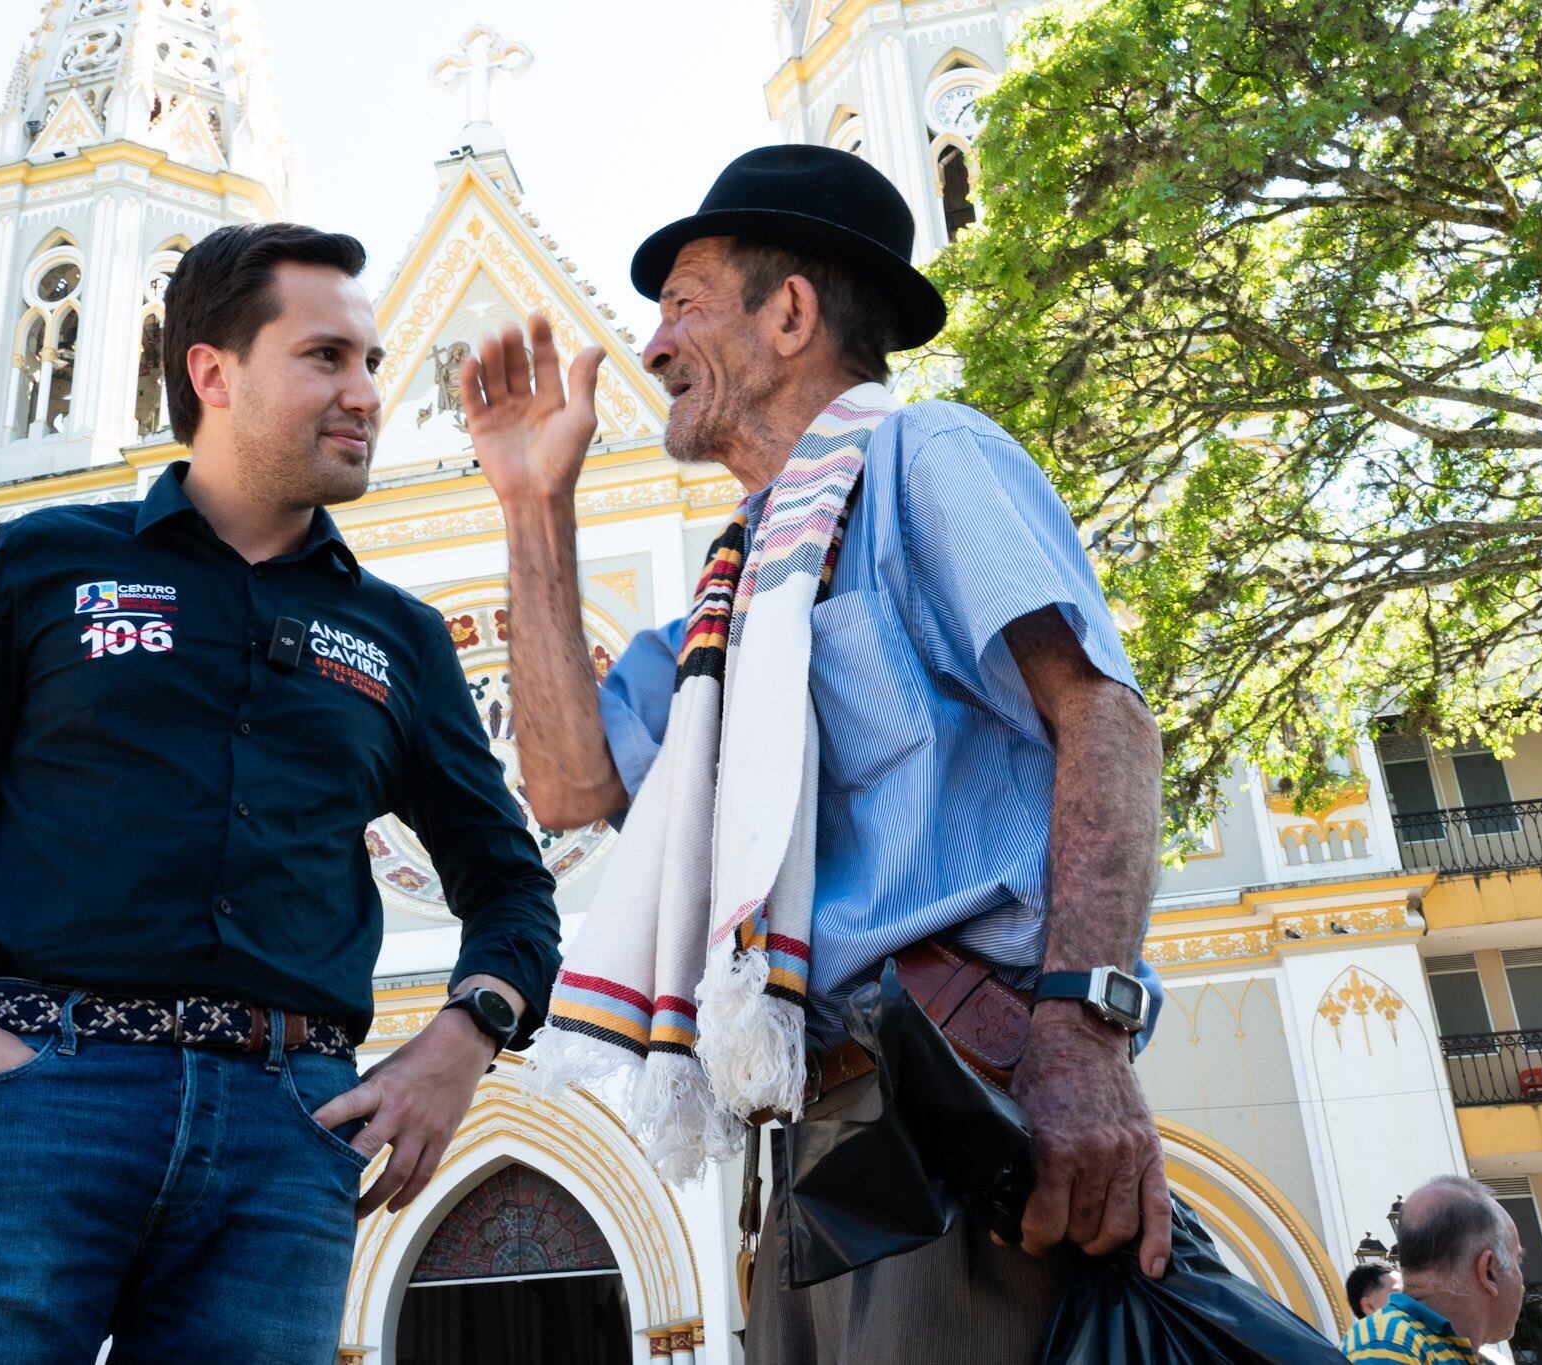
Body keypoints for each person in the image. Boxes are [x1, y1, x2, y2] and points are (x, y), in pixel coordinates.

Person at [465, 143, 1169, 1358]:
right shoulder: (734, 588)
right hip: (810, 1117)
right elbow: (572, 786)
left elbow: (1103, 720)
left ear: (789, 313)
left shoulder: (926, 460)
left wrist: (1080, 1033)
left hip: (959, 1090)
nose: (651, 347)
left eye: (682, 305)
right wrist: (533, 505)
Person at [0, 222, 560, 1363]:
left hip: (288, 1134)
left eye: (369, 362)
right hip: (27, 1096)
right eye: (325, 358)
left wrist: (461, 1044)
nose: (366, 391)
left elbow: (510, 883)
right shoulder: (43, 563)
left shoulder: (402, 640)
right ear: (211, 373)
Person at [1345, 1175, 1527, 1363]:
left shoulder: (1396, 1340)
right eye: (1518, 1260)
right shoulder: (1386, 1342)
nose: (1522, 1284)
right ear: (1489, 1272)